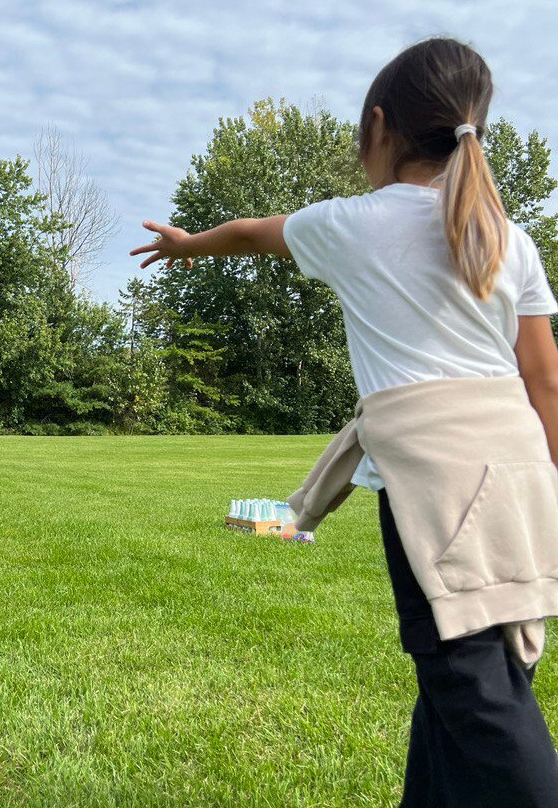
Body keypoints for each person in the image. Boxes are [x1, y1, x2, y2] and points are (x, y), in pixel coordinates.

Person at [130, 37, 558, 807]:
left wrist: (191, 245)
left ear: (380, 126)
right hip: (525, 478)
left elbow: (251, 231)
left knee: (479, 697)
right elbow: (546, 379)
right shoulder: (509, 239)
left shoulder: (352, 224)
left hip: (437, 487)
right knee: (472, 681)